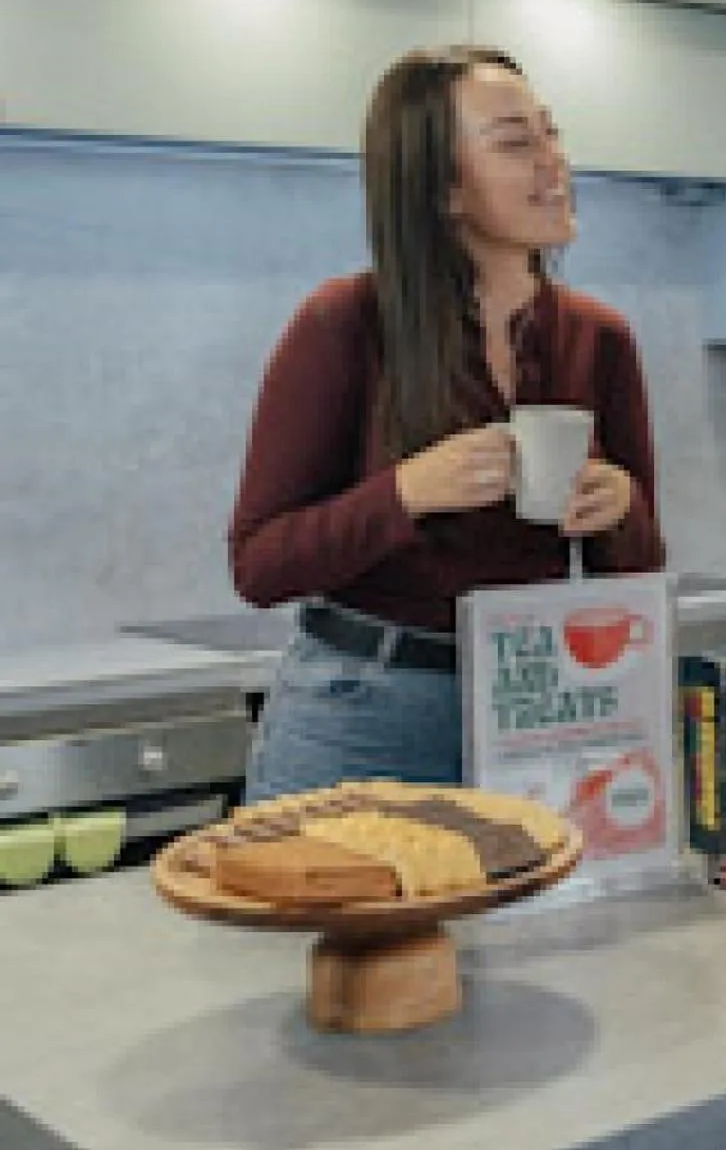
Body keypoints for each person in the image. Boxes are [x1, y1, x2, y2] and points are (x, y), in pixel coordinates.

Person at [231, 45, 666, 801]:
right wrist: (407, 492)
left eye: (552, 133)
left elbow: (636, 574)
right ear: (443, 187)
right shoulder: (345, 322)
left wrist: (621, 507)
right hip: (363, 710)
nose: (554, 161)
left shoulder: (600, 337)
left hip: (534, 707)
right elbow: (260, 564)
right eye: (516, 142)